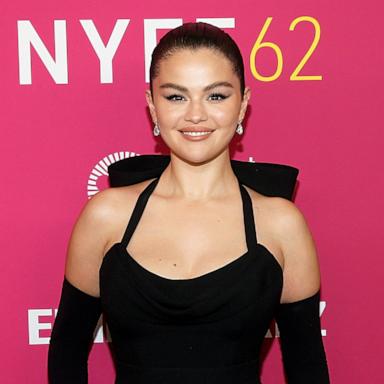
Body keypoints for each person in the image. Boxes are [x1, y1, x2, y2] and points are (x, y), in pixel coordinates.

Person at [48, 22, 330, 383]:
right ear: (152, 105)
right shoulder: (106, 217)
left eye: (216, 96)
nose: (196, 114)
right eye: (176, 96)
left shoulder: (281, 224)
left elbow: (308, 369)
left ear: (243, 104)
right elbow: (67, 354)